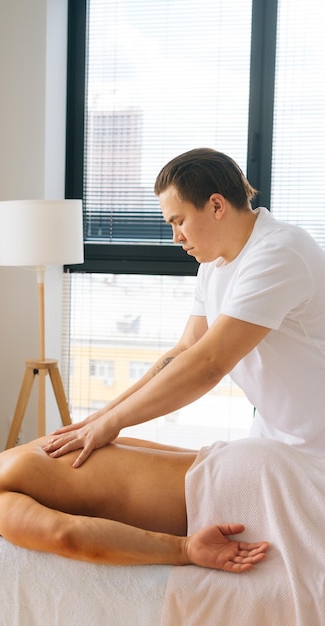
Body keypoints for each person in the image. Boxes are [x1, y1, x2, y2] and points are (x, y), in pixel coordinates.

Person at [45, 147, 325, 466]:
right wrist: (99, 417)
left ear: (216, 205)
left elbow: (208, 363)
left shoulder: (279, 251)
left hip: (316, 451)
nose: (176, 237)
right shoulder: (212, 265)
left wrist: (111, 424)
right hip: (274, 440)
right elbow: (186, 350)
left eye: (179, 221)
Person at [0, 433, 269, 572]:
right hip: (239, 459)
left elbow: (64, 535)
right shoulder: (47, 440)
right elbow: (134, 442)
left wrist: (185, 549)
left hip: (230, 500)